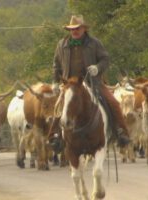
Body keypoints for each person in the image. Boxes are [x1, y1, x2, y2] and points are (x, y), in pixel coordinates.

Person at [52, 15, 130, 146]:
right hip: (69, 84)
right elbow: (56, 64)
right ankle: (54, 136)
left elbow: (105, 59)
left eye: (77, 28)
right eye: (72, 29)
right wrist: (55, 82)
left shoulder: (94, 43)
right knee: (57, 106)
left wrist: (97, 68)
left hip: (93, 82)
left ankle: (121, 132)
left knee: (113, 102)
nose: (74, 31)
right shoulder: (62, 44)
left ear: (84, 29)